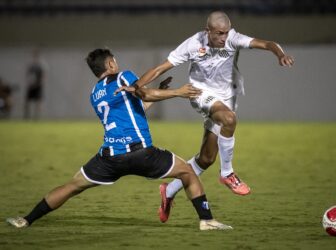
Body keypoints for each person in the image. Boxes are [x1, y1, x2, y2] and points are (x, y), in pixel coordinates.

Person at [6, 48, 232, 231]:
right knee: (188, 173)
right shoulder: (124, 76)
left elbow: (137, 108)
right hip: (141, 152)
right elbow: (143, 94)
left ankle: (26, 219)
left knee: (72, 186)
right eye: (115, 60)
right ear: (111, 64)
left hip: (110, 158)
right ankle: (207, 220)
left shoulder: (95, 94)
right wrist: (177, 92)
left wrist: (158, 91)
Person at [115, 11, 294, 223]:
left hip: (228, 97)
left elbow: (267, 43)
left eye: (226, 33)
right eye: (219, 33)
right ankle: (227, 173)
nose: (224, 38)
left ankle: (169, 191)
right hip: (200, 93)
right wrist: (136, 87)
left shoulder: (233, 39)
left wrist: (279, 54)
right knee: (229, 120)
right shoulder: (193, 44)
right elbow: (161, 68)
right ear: (207, 30)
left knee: (206, 159)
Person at [24, 49, 46, 120]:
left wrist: (39, 83)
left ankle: (37, 117)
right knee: (28, 101)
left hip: (38, 86)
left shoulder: (41, 65)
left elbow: (43, 76)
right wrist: (29, 83)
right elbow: (28, 75)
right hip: (31, 86)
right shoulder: (31, 65)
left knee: (38, 102)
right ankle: (27, 116)